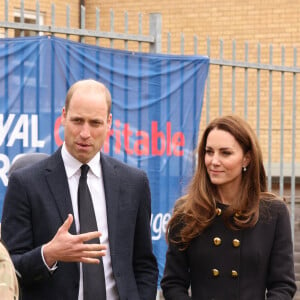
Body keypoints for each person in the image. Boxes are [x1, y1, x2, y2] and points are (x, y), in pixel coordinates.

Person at [1, 79, 158, 300]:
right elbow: (9, 268)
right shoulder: (26, 183)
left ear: (109, 122)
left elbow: (144, 265)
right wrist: (49, 254)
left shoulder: (134, 183)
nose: (85, 133)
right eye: (77, 121)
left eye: (95, 123)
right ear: (63, 116)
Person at [160, 115, 296, 299]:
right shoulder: (187, 211)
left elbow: (282, 286)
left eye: (225, 153)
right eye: (209, 151)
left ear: (246, 159)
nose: (214, 161)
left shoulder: (273, 212)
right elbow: (173, 283)